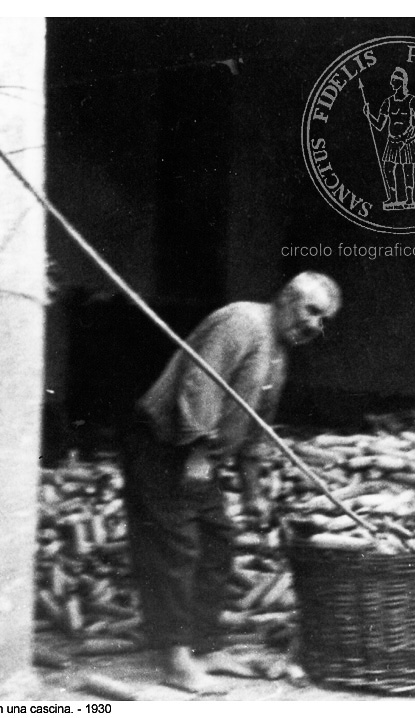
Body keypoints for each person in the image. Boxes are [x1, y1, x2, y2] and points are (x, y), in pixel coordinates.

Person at [122, 272, 341, 694]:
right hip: (165, 445)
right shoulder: (242, 322)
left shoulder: (278, 355)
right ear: (285, 298)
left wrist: (253, 493)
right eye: (311, 310)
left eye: (324, 320)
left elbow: (255, 430)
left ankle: (204, 647)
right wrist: (198, 454)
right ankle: (175, 661)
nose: (315, 325)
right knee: (177, 548)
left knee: (217, 541)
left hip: (199, 455)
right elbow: (200, 382)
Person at [363, 67, 415, 210]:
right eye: (391, 80)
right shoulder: (387, 102)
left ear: (401, 82)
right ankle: (393, 198)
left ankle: (409, 199)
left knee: (408, 170)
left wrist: (412, 136)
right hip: (392, 141)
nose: (391, 83)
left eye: (394, 80)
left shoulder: (412, 101)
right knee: (388, 168)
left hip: (407, 142)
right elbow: (380, 125)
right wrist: (368, 115)